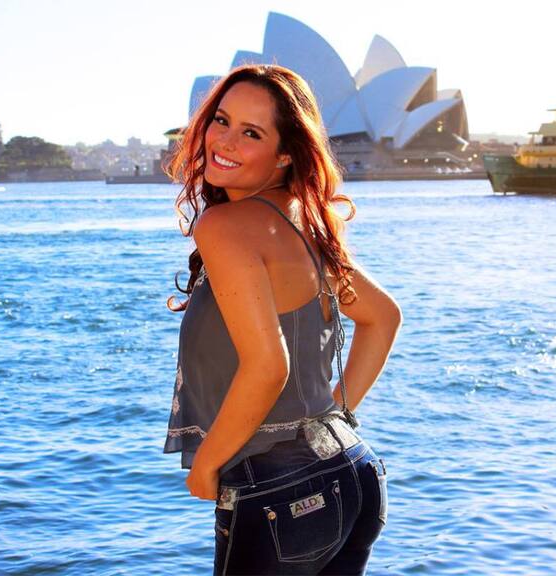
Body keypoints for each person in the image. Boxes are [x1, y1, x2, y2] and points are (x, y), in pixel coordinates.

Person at [164, 64, 401, 575]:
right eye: (221, 120)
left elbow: (269, 366)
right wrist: (335, 414)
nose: (225, 141)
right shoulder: (302, 219)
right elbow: (382, 318)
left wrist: (208, 463)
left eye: (252, 133)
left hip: (277, 493)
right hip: (352, 472)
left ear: (286, 153)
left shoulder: (225, 225)